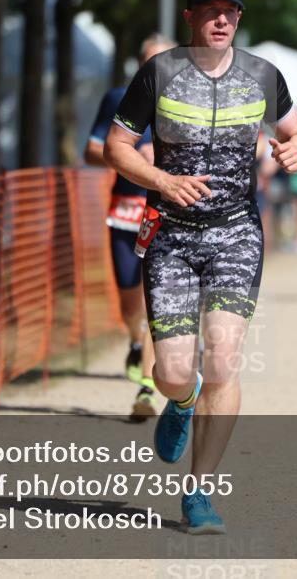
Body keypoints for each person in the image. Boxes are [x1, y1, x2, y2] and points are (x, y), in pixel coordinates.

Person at [104, 0, 297, 534]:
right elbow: (115, 147)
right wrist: (162, 181)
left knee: (224, 357)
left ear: (239, 20)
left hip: (236, 232)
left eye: (230, 11)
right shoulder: (160, 72)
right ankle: (182, 396)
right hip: (171, 232)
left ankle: (199, 493)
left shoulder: (264, 76)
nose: (221, 19)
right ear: (190, 17)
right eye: (210, 9)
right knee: (172, 371)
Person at [84, 33, 176, 421]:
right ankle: (136, 342)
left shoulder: (186, 105)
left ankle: (146, 388)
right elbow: (91, 150)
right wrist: (129, 158)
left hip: (165, 211)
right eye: (148, 62)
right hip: (124, 210)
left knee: (154, 293)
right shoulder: (118, 99)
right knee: (127, 294)